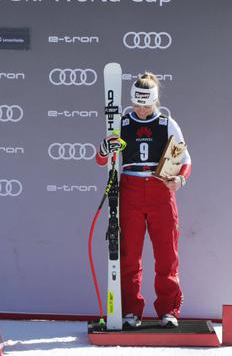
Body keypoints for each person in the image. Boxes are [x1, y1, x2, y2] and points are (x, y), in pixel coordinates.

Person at [96, 72, 191, 328]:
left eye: (146, 104)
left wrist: (179, 180)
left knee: (167, 255)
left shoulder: (166, 123)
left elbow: (184, 160)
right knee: (129, 256)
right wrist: (104, 149)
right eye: (137, 104)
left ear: (155, 101)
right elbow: (102, 159)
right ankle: (131, 311)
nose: (141, 109)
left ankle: (168, 310)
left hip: (160, 190)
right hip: (131, 189)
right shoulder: (122, 122)